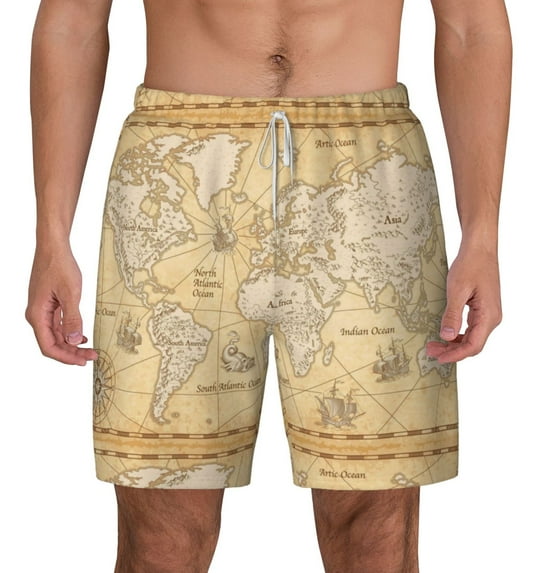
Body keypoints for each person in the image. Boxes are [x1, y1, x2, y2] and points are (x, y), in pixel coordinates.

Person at [26, 0, 511, 571]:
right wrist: (51, 236)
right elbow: (73, 23)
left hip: (365, 176)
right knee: (161, 532)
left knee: (374, 526)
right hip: (180, 171)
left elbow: (471, 26)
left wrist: (483, 236)